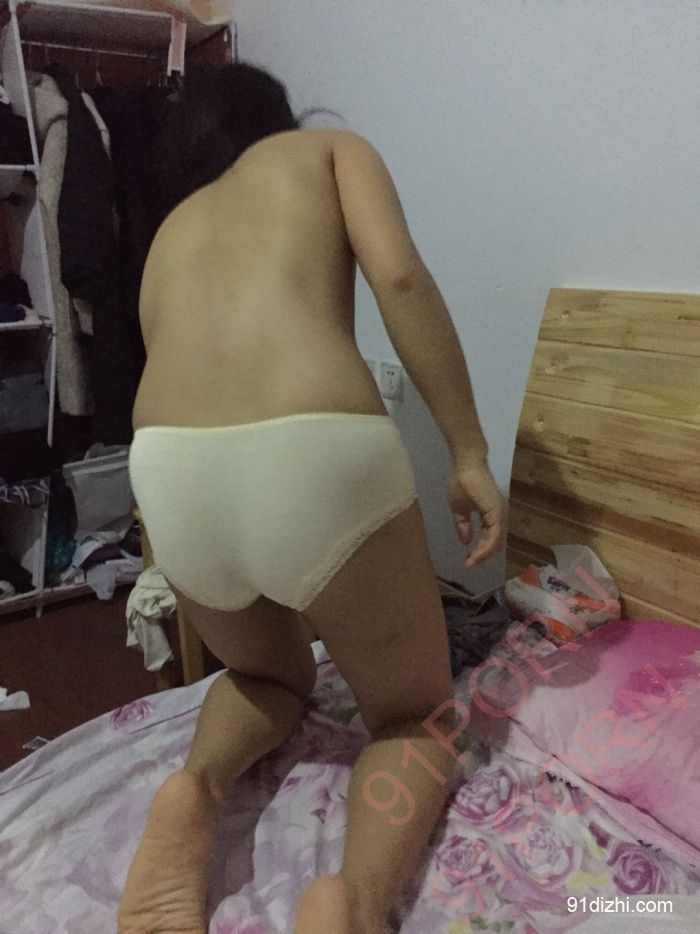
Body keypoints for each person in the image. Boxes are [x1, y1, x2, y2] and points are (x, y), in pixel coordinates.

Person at [118, 61, 507, 934]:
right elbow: (400, 279)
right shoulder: (328, 150)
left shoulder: (172, 226)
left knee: (265, 674)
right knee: (411, 718)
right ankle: (352, 904)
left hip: (168, 468)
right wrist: (469, 451)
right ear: (278, 117)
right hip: (311, 449)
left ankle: (194, 791)